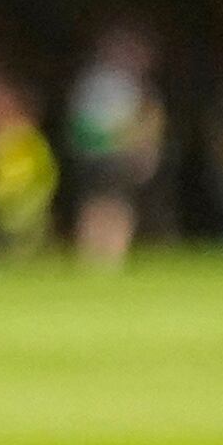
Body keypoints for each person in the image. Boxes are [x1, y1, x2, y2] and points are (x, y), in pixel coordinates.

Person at [62, 25, 168, 269]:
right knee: (101, 206)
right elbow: (85, 124)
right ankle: (98, 258)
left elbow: (147, 121)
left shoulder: (127, 83)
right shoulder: (102, 82)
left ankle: (109, 259)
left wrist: (145, 150)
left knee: (115, 205)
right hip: (103, 153)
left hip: (111, 154)